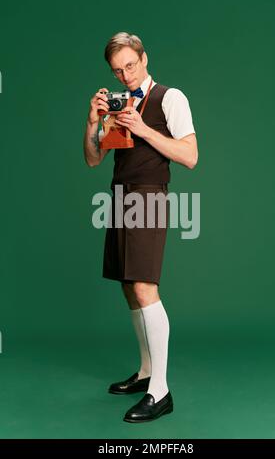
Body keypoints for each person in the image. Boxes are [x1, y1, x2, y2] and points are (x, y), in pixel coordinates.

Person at [83, 32, 198, 423]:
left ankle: (161, 391)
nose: (126, 75)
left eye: (131, 65)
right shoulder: (118, 105)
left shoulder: (170, 98)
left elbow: (190, 156)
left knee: (145, 285)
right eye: (118, 71)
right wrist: (93, 120)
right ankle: (146, 371)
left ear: (145, 58)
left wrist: (144, 128)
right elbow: (93, 159)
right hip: (120, 194)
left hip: (149, 195)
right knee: (128, 285)